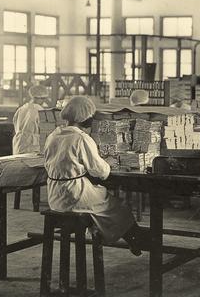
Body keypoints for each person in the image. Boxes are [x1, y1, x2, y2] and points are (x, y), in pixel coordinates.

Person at [44, 96, 142, 255]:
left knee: (102, 199)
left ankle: (129, 238)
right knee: (117, 206)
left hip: (55, 196)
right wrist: (108, 161)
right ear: (86, 118)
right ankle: (137, 241)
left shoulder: (53, 135)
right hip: (74, 195)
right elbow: (101, 172)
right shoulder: (81, 138)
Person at [12, 85, 49, 154]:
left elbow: (14, 123)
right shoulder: (40, 110)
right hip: (33, 145)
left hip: (19, 143)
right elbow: (45, 131)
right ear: (43, 98)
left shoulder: (21, 109)